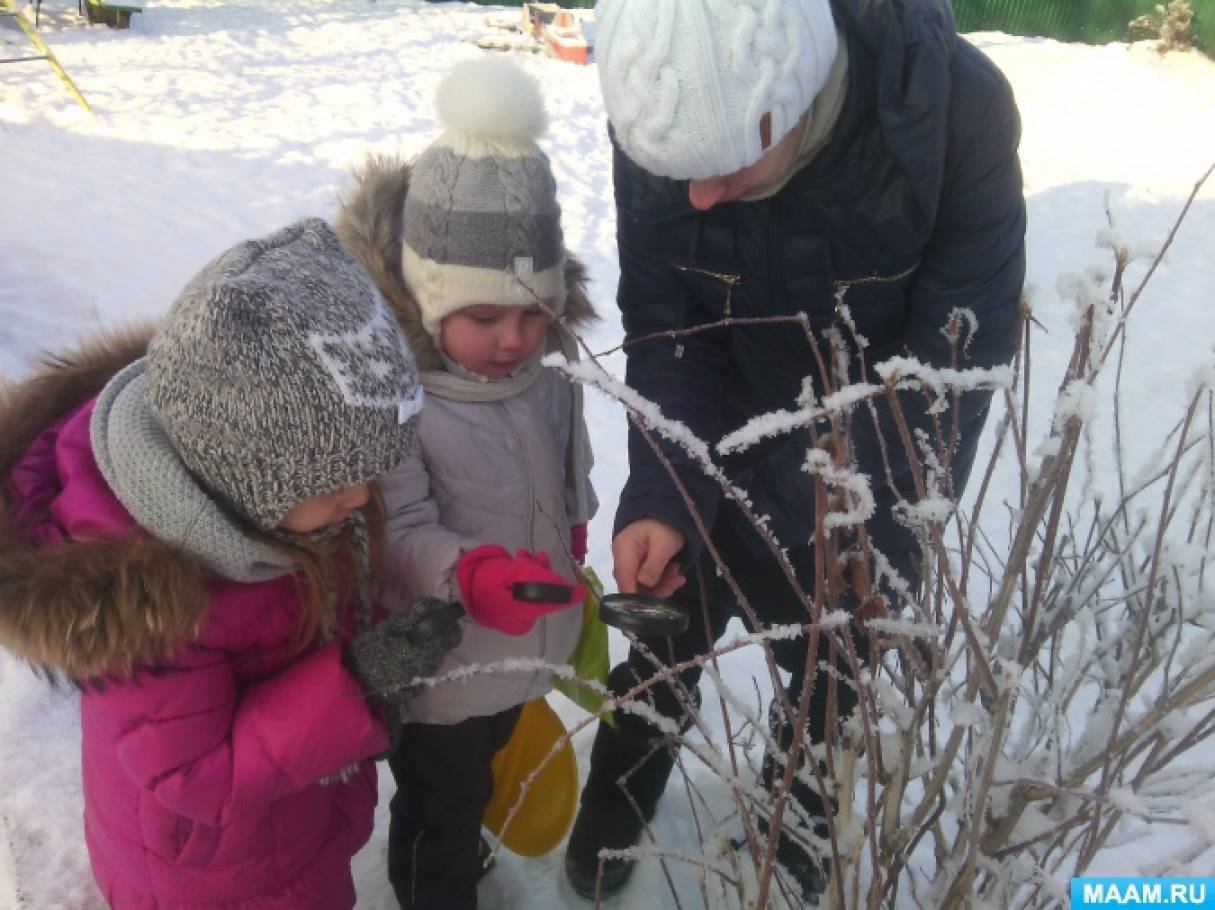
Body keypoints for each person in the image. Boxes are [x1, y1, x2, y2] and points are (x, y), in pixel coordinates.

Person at [565, 0, 1027, 901]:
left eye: (726, 163)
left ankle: (795, 841)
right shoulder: (665, 95)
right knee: (664, 643)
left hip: (869, 478)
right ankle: (613, 815)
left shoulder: (949, 114)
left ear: (798, 94)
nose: (694, 196)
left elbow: (948, 372)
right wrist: (667, 492)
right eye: (675, 170)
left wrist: (828, 501)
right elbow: (671, 328)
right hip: (714, 445)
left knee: (830, 684)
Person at [0, 218, 463, 910]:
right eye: (339, 479)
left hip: (294, 830)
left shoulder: (290, 513)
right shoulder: (154, 599)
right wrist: (358, 684)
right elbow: (195, 773)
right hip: (207, 875)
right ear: (244, 471)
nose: (362, 496)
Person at [334, 56, 598, 910]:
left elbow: (568, 481)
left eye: (533, 312)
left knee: (482, 776)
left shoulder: (547, 380)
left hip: (525, 647)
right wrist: (469, 574)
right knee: (438, 809)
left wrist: (578, 540)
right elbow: (398, 532)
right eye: (485, 316)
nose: (515, 338)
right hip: (442, 668)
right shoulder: (396, 403)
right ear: (426, 294)